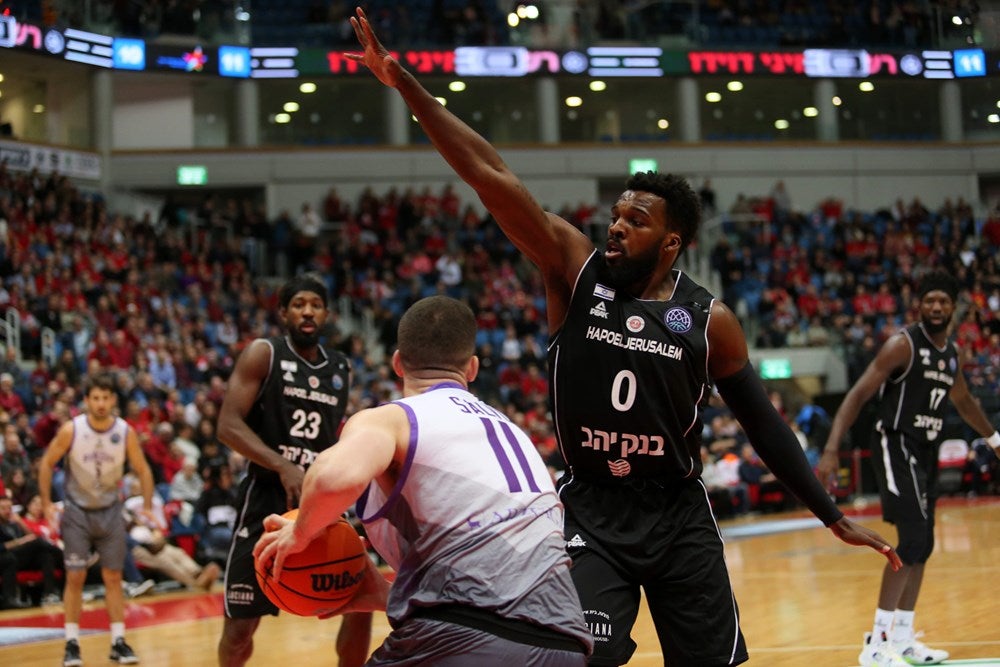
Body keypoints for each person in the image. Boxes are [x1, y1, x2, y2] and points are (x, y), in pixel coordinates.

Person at [347, 10, 901, 664]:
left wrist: (829, 511)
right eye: (615, 214)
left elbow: (761, 421)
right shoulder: (574, 270)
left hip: (677, 513)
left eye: (635, 221)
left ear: (671, 242)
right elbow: (488, 174)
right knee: (576, 658)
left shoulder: (709, 320)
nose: (616, 227)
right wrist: (407, 84)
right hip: (589, 510)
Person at [255, 295, 592, 665]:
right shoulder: (515, 435)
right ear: (473, 368)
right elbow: (508, 600)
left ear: (397, 363)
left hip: (458, 641)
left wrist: (301, 532)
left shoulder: (393, 419)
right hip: (566, 647)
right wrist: (383, 594)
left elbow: (334, 479)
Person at [817, 269, 1000, 667]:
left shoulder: (952, 354)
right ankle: (876, 642)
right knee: (912, 537)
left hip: (926, 449)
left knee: (924, 545)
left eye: (943, 301)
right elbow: (858, 394)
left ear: (953, 308)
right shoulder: (902, 345)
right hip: (894, 442)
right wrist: (832, 449)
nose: (935, 306)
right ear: (920, 304)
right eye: (929, 300)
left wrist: (995, 439)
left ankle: (901, 640)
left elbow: (965, 402)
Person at [215, 275, 371, 667]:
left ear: (327, 314)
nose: (307, 311)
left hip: (322, 501)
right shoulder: (263, 354)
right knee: (238, 630)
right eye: (299, 304)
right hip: (266, 497)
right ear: (283, 312)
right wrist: (283, 465)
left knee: (358, 603)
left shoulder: (340, 368)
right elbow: (228, 425)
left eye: (315, 304)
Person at [37, 372, 155, 666]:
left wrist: (149, 505)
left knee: (114, 578)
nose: (101, 404)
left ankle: (118, 641)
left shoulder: (125, 431)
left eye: (106, 398)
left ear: (113, 400)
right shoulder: (71, 429)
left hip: (110, 511)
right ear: (87, 400)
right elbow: (46, 464)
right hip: (77, 512)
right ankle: (72, 643)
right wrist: (47, 503)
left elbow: (143, 469)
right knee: (75, 576)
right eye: (96, 398)